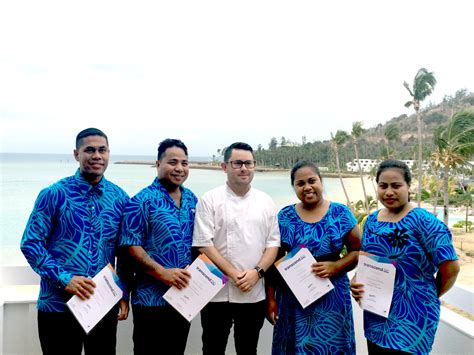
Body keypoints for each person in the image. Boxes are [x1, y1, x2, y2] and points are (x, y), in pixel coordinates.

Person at [20, 128, 129, 355]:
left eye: (102, 150)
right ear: (76, 154)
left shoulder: (120, 198)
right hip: (58, 305)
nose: (97, 155)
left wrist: (123, 294)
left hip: (102, 305)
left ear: (109, 153)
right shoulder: (54, 194)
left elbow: (125, 251)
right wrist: (65, 278)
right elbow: (31, 243)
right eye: (89, 150)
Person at [351, 159, 460, 354]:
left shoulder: (423, 221)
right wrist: (357, 280)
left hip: (414, 317)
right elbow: (367, 260)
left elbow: (451, 268)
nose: (389, 192)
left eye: (396, 185)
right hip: (376, 314)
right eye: (383, 186)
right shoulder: (372, 221)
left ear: (409, 186)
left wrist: (428, 296)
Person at [192, 142, 281, 355]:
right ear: (225, 167)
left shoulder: (266, 201)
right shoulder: (209, 199)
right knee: (212, 348)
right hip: (216, 292)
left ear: (254, 166)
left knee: (248, 348)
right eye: (237, 163)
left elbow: (273, 244)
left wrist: (256, 273)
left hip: (254, 291)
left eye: (248, 163)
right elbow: (204, 243)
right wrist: (234, 274)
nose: (243, 168)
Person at [266, 161, 361, 354]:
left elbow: (358, 251)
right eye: (300, 183)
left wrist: (336, 266)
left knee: (333, 346)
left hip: (333, 297)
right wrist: (270, 299)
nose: (307, 187)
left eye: (312, 181)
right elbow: (273, 262)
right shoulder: (284, 216)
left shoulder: (340, 213)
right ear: (294, 187)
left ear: (321, 181)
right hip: (292, 299)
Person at [119, 138, 197, 355]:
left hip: (183, 297)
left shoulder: (192, 199)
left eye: (184, 163)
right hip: (150, 299)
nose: (179, 168)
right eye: (173, 162)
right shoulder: (141, 201)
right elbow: (130, 247)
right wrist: (162, 273)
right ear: (158, 164)